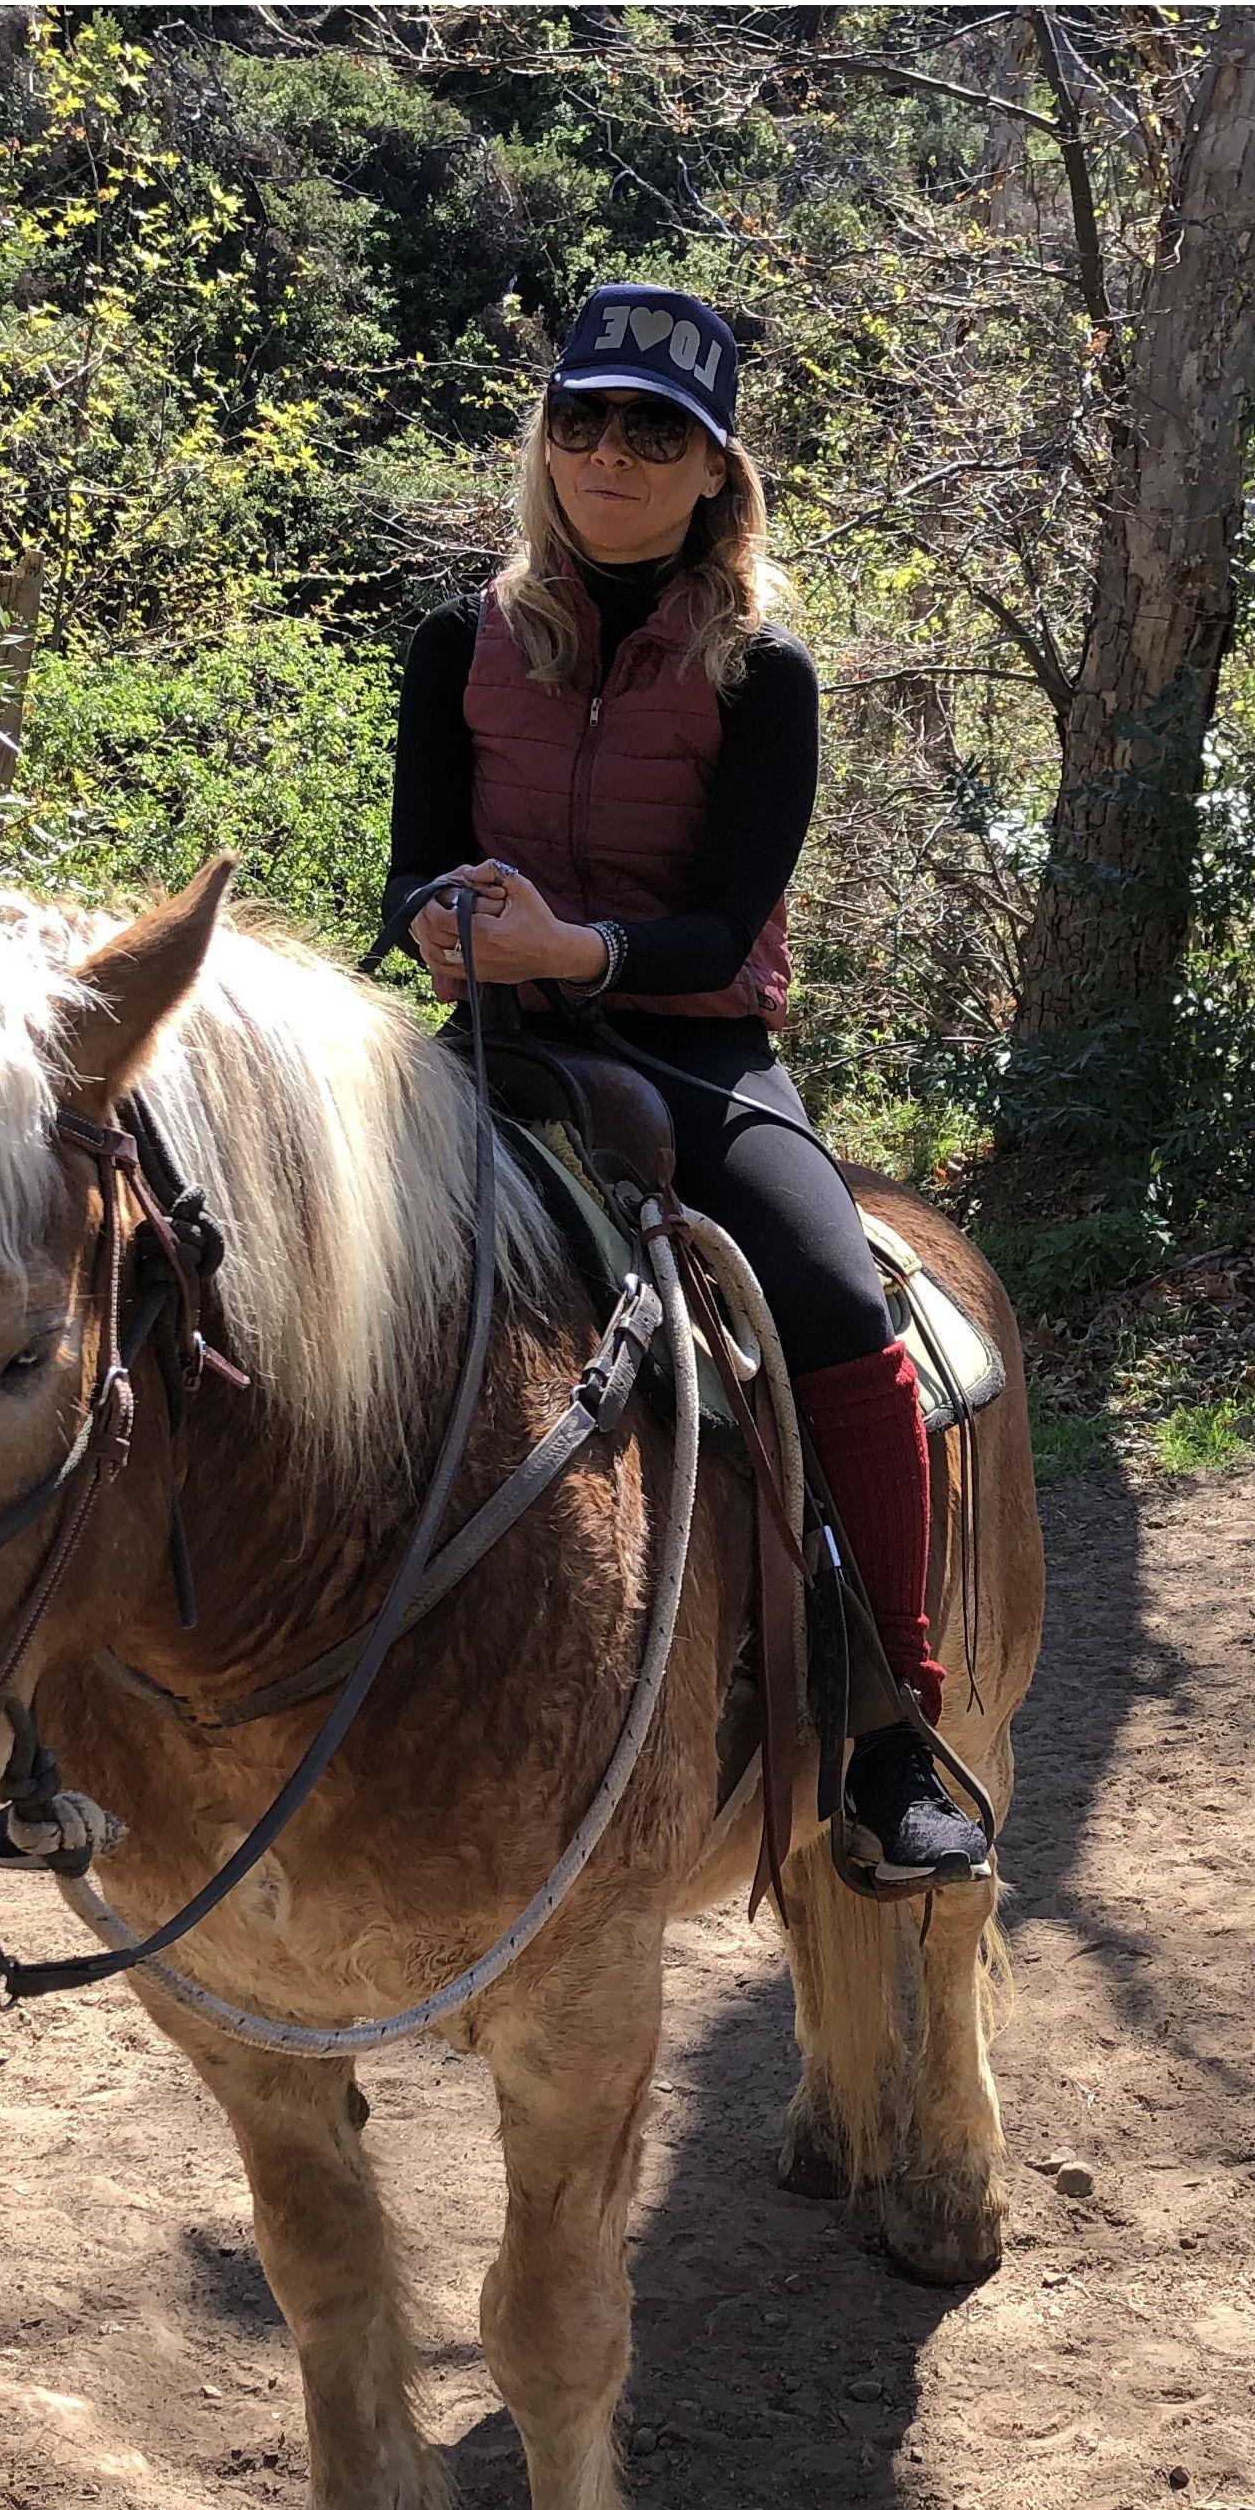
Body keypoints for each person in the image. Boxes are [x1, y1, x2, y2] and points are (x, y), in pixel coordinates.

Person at [378, 280, 989, 1889]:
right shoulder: (456, 645)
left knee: (837, 1300)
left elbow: (724, 922)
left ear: (717, 466)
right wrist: (448, 927)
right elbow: (403, 882)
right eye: (581, 418)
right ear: (545, 439)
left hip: (694, 1052)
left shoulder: (763, 676)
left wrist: (569, 949)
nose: (611, 453)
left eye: (656, 429)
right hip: (487, 1052)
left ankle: (888, 1738)